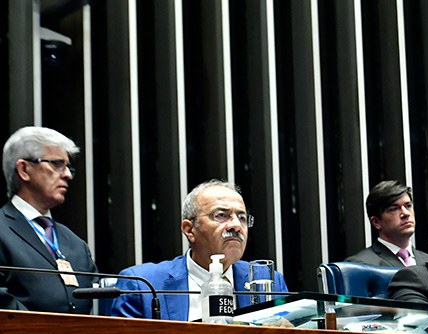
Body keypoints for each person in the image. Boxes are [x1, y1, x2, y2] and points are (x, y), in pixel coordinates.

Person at [110, 179, 288, 321]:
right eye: (221, 215)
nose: (235, 225)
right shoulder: (143, 285)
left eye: (241, 217)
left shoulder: (268, 281)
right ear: (189, 229)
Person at [0, 126, 97, 313]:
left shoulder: (76, 244)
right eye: (56, 164)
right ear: (24, 169)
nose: (67, 175)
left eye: (68, 167)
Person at [345, 180, 428, 267]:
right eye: (394, 209)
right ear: (376, 222)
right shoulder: (360, 264)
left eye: (408, 206)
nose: (406, 213)